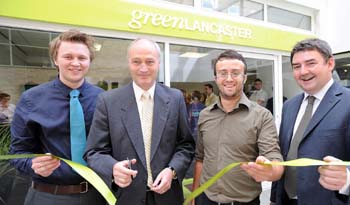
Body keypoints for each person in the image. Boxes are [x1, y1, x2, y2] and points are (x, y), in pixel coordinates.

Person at [84, 38, 195, 205]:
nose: (143, 68)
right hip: (125, 197)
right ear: (129, 63)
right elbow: (94, 152)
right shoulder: (108, 101)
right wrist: (113, 169)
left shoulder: (175, 98)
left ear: (158, 63)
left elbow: (186, 145)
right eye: (136, 61)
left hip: (168, 197)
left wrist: (172, 170)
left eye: (150, 61)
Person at [9, 30, 105, 205]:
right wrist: (32, 165)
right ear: (55, 60)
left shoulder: (104, 99)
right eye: (68, 57)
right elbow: (17, 152)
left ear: (89, 61)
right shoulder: (31, 99)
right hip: (47, 196)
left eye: (82, 58)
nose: (75, 63)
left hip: (97, 195)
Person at [192, 49, 284, 205]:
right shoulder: (205, 115)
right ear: (216, 78)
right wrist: (195, 195)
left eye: (235, 73)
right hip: (206, 199)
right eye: (223, 73)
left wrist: (271, 171)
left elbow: (274, 159)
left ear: (244, 77)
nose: (229, 78)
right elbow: (201, 158)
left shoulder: (262, 116)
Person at [272, 38, 350, 205]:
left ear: (330, 63)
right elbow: (285, 155)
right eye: (296, 66)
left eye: (310, 63)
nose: (303, 72)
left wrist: (348, 178)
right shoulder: (289, 106)